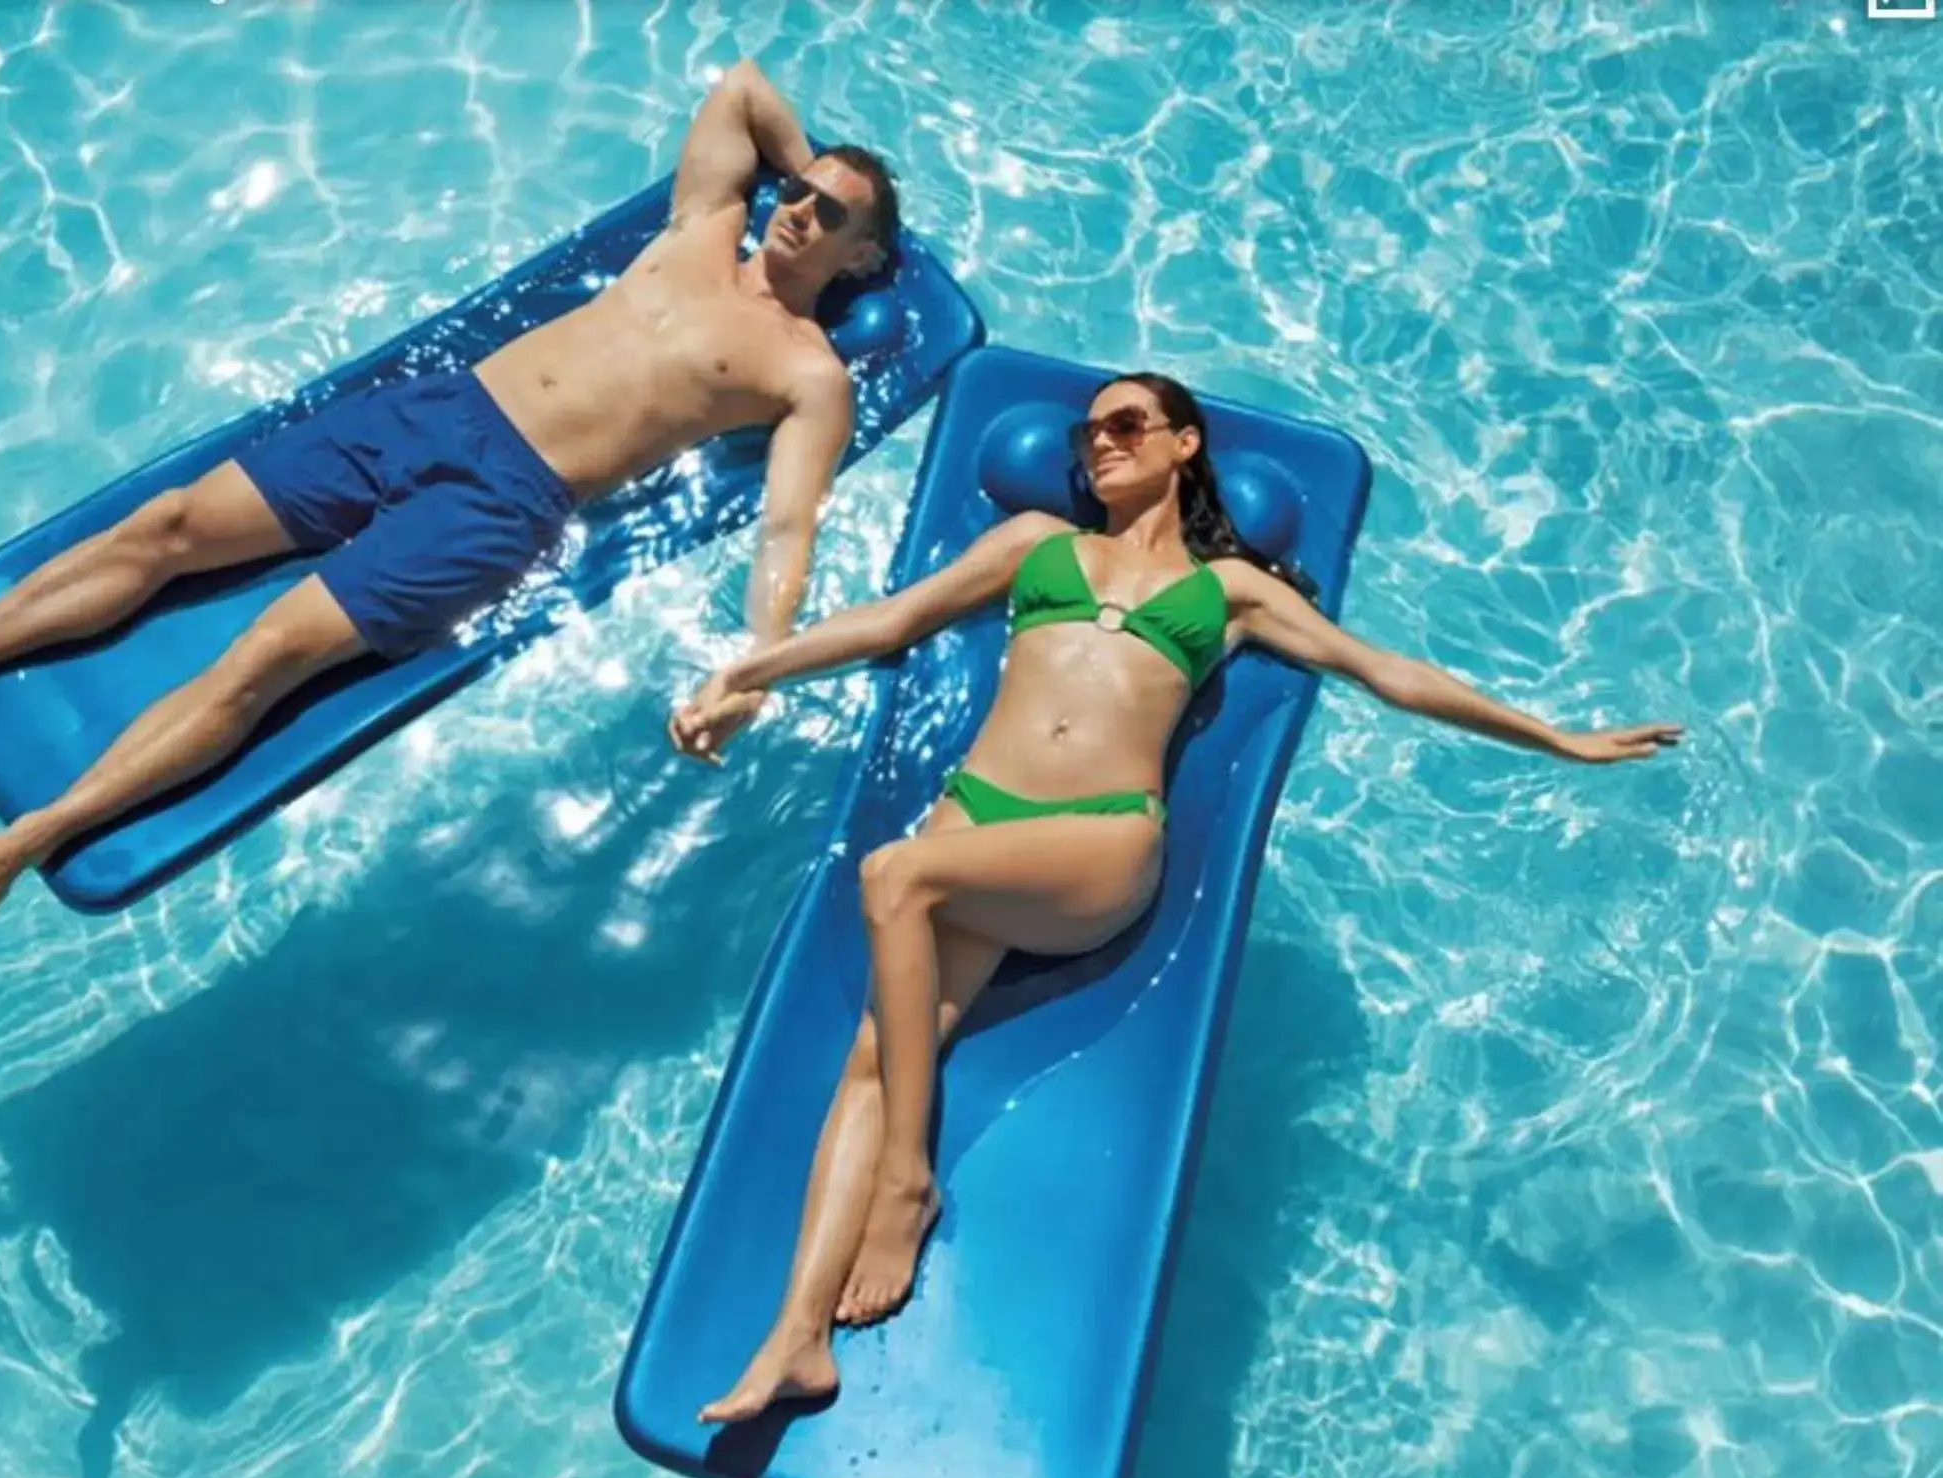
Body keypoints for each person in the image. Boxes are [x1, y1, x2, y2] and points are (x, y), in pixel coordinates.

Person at [673, 371, 1684, 1424]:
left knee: (894, 873)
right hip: (975, 824)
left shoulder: (1229, 592)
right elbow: (893, 622)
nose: (1098, 443)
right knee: (875, 1058)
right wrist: (750, 672)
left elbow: (1384, 673)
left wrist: (1553, 736)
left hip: (1097, 850)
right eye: (1087, 431)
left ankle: (905, 1182)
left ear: (1183, 445)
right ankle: (794, 1340)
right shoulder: (1033, 544)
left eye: (1124, 425)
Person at [0, 61, 902, 925]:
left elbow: (786, 524)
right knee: (165, 527)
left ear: (863, 259)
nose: (797, 208)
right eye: (798, 190)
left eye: (828, 213)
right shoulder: (703, 226)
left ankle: (41, 831)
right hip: (434, 409)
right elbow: (743, 86)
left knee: (269, 654)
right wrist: (821, 165)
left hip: (503, 505)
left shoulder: (803, 371)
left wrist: (753, 666)